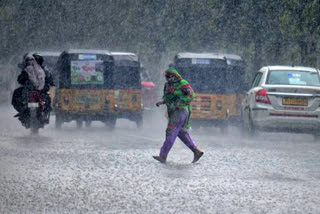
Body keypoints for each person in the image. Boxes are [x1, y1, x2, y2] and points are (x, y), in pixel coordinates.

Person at [153, 68, 204, 163]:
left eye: (169, 76)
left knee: (171, 132)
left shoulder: (182, 83)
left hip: (180, 112)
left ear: (174, 76)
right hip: (173, 112)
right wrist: (162, 102)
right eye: (166, 77)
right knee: (181, 133)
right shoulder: (168, 85)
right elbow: (170, 98)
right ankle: (196, 151)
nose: (167, 78)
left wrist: (180, 103)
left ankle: (163, 155)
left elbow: (191, 95)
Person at [11, 54, 55, 126]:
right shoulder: (30, 70)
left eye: (32, 60)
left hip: (36, 92)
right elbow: (20, 80)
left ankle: (42, 114)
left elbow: (50, 80)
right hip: (32, 92)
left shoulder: (40, 70)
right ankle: (23, 111)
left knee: (47, 101)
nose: (31, 62)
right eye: (29, 60)